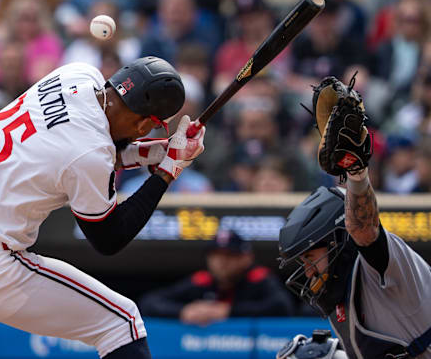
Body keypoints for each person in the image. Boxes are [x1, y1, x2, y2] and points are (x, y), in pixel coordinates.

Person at [0, 56, 205, 359]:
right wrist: (167, 171)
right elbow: (109, 238)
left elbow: (64, 149)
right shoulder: (90, 153)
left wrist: (149, 155)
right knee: (122, 323)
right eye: (148, 130)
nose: (143, 134)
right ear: (143, 124)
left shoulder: (76, 74)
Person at [278, 79, 431, 358]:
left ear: (338, 242)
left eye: (311, 257)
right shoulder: (340, 297)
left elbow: (364, 229)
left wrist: (355, 172)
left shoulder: (379, 267)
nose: (309, 271)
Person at [138, 229, 293, 325]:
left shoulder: (258, 278)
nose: (221, 262)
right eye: (216, 256)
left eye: (229, 256)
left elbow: (283, 306)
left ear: (246, 258)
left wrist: (227, 311)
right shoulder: (202, 280)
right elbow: (149, 302)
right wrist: (183, 311)